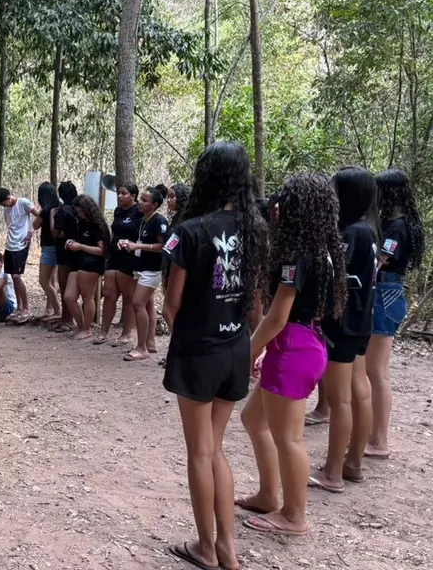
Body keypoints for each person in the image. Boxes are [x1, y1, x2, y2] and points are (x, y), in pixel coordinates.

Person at [161, 142, 268, 570]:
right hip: (236, 347)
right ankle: (228, 547)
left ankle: (207, 547)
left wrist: (186, 342)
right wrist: (251, 344)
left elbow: (171, 306)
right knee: (216, 449)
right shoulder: (256, 229)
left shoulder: (188, 232)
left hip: (199, 351)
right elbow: (256, 302)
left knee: (200, 452)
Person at [237, 173, 346, 538]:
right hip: (301, 344)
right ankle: (269, 495)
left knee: (289, 438)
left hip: (294, 350)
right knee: (253, 419)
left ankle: (294, 515)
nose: (276, 206)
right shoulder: (322, 250)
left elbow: (276, 317)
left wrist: (248, 351)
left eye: (283, 201)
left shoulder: (298, 256)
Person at [309, 167, 379, 492]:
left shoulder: (351, 234)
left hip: (343, 323)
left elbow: (333, 275)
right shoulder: (368, 230)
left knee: (340, 400)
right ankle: (353, 463)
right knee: (359, 391)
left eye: (334, 190)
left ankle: (333, 472)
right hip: (361, 321)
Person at [366, 168, 425, 459]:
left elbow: (378, 262)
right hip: (387, 292)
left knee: (376, 371)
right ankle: (373, 435)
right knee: (378, 371)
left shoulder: (397, 227)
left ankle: (379, 441)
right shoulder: (395, 223)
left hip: (384, 293)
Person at [122, 185, 170, 361]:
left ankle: (141, 348)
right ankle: (150, 343)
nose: (140, 203)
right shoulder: (143, 219)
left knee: (137, 303)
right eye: (140, 199)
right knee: (147, 304)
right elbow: (140, 242)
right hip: (140, 266)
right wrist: (129, 244)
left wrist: (138, 246)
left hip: (152, 269)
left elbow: (162, 246)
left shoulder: (159, 221)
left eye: (144, 200)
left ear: (154, 204)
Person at [96, 183, 142, 346]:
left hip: (129, 258)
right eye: (119, 193)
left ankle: (126, 334)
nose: (120, 196)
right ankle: (103, 332)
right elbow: (114, 231)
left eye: (124, 193)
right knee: (109, 295)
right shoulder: (118, 210)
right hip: (114, 256)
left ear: (133, 196)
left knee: (128, 297)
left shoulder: (139, 212)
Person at [62, 195, 108, 341]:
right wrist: (71, 242)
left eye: (81, 211)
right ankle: (81, 326)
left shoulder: (98, 225)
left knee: (87, 297)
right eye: (78, 212)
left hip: (92, 264)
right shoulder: (81, 223)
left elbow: (102, 250)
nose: (80, 214)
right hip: (77, 262)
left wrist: (81, 246)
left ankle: (87, 329)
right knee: (69, 297)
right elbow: (80, 239)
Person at [0, 187, 39, 321]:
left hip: (22, 244)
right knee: (13, 278)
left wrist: (32, 231)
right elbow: (11, 225)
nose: (4, 206)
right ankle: (19, 307)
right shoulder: (6, 209)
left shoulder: (23, 203)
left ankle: (26, 308)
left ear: (9, 198)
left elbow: (39, 216)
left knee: (17, 276)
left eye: (4, 203)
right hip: (10, 245)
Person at [51, 182, 79, 332]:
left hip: (64, 252)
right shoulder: (78, 209)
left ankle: (68, 319)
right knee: (68, 286)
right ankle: (65, 317)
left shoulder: (62, 211)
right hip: (76, 251)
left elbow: (55, 232)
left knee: (64, 285)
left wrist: (52, 217)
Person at [31, 181, 61, 321]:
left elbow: (35, 225)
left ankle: (57, 310)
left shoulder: (46, 210)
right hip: (59, 247)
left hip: (49, 247)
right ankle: (50, 309)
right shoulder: (60, 206)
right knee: (52, 280)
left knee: (43, 281)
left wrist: (41, 214)